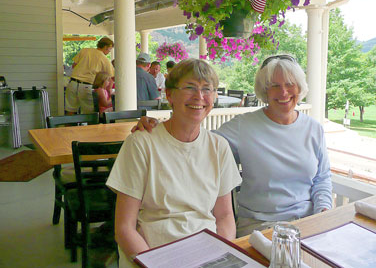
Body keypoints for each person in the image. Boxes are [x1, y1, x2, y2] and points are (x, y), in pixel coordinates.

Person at [134, 55, 332, 237]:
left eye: (290, 84)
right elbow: (193, 143)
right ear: (264, 90)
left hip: (308, 223)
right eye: (274, 85)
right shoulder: (243, 127)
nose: (284, 92)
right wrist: (158, 130)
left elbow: (322, 178)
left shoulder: (314, 129)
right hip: (260, 226)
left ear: (300, 87)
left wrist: (323, 211)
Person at [106, 58, 242, 267]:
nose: (199, 96)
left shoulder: (219, 147)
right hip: (154, 255)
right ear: (169, 95)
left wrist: (221, 256)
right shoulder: (142, 143)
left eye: (207, 89)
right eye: (190, 87)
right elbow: (124, 228)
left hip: (207, 255)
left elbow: (224, 217)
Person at [65, 37, 114, 114]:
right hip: (87, 86)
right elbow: (111, 77)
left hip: (72, 83)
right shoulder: (104, 59)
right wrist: (109, 90)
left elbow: (74, 65)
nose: (109, 52)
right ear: (105, 47)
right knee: (89, 114)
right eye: (109, 49)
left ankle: (69, 126)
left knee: (70, 111)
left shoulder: (85, 50)